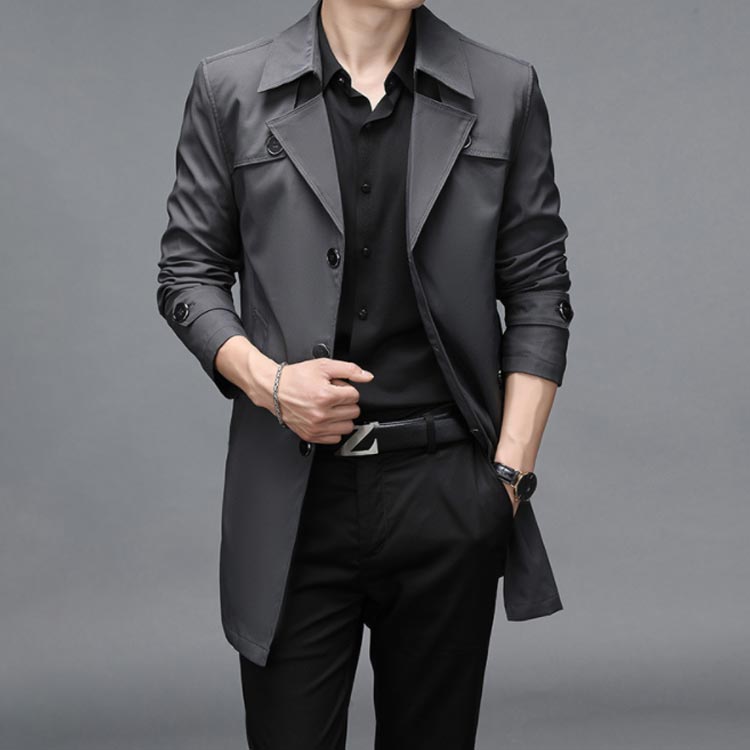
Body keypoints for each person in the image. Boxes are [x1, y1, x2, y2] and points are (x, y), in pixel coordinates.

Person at [157, 0, 573, 747]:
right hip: (293, 495)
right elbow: (188, 273)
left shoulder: (504, 90)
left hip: (445, 488)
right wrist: (272, 384)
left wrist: (507, 480)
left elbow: (540, 289)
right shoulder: (231, 89)